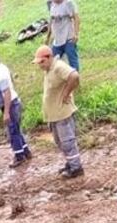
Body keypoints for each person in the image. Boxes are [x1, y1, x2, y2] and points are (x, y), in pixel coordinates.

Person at [34, 45, 84, 178]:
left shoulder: (58, 66)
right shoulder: (49, 69)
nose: (40, 65)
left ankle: (76, 167)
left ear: (49, 57)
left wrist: (67, 93)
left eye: (42, 62)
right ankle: (70, 163)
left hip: (62, 113)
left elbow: (74, 76)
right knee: (60, 142)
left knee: (67, 141)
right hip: (54, 115)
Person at [0, 51, 30, 168]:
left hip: (10, 105)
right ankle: (26, 152)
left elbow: (7, 92)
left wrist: (6, 112)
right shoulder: (2, 69)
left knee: (13, 131)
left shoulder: (0, 74)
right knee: (17, 129)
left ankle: (19, 157)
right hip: (13, 103)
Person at [46, 0, 80, 71]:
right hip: (57, 40)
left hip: (69, 38)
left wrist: (76, 34)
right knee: (52, 63)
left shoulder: (68, 3)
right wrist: (48, 37)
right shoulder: (51, 4)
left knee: (73, 61)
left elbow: (76, 18)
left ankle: (74, 79)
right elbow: (51, 21)